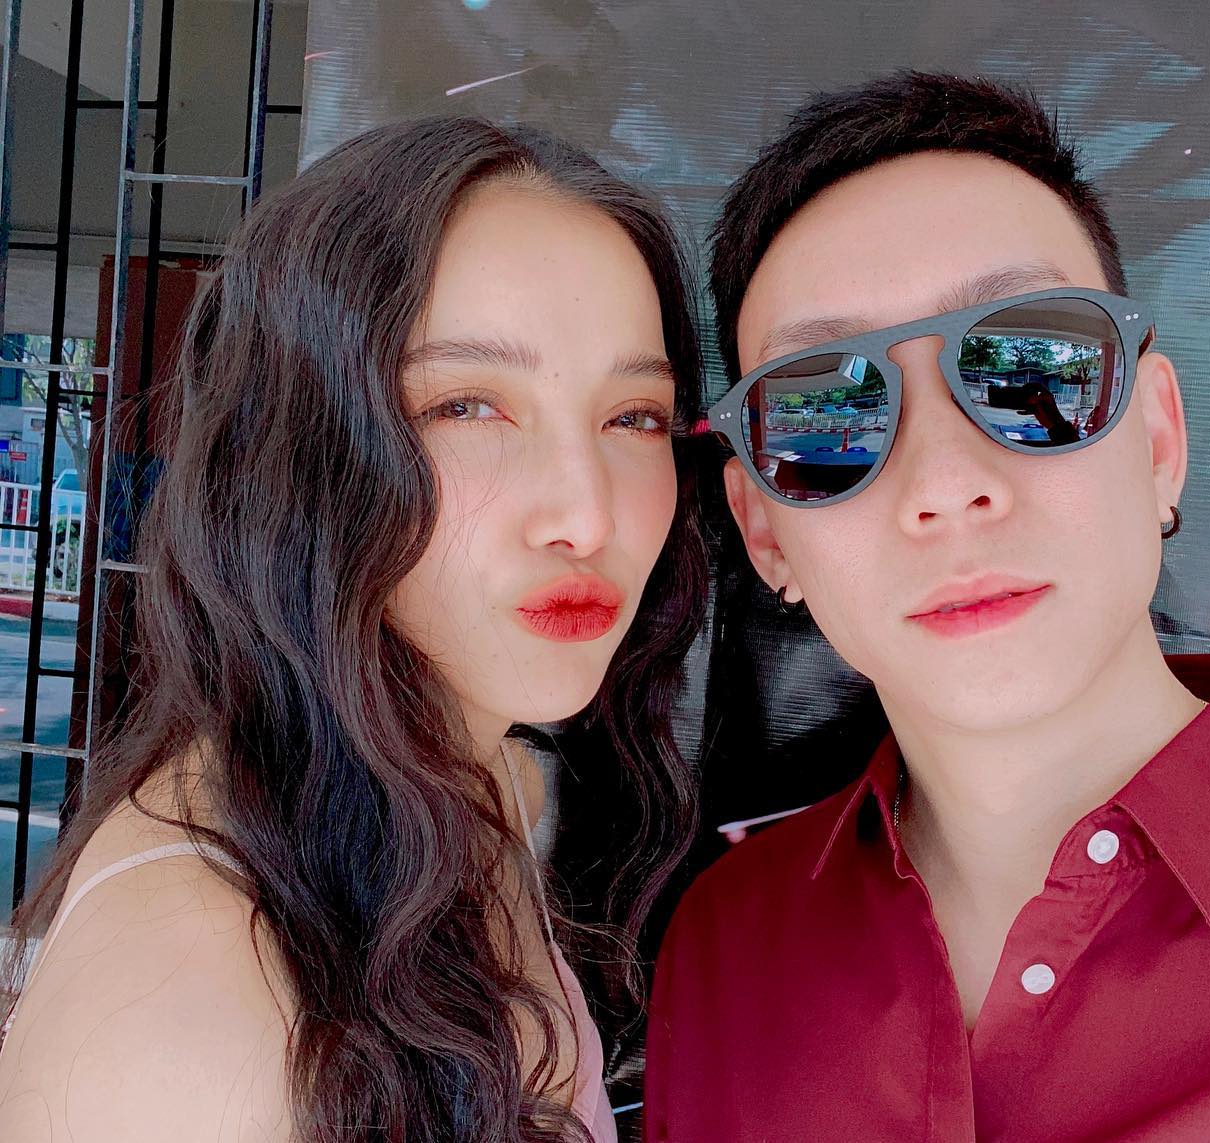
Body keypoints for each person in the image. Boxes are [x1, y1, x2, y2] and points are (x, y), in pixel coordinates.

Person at [644, 72, 1210, 1142]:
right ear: (765, 532)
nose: (943, 485)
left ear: (1158, 441)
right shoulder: (724, 954)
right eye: (827, 413)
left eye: (1035, 366)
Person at [0, 115, 707, 1143]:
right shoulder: (179, 1022)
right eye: (467, 406)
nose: (588, 515)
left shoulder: (487, 790)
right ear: (299, 449)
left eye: (633, 416)